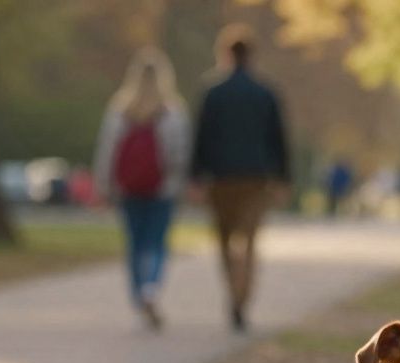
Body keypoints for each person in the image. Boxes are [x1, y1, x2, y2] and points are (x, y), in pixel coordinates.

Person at [192, 25, 291, 332]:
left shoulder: (212, 92)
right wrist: (283, 177)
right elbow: (278, 138)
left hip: (221, 178)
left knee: (224, 240)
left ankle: (232, 292)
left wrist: (195, 176)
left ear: (224, 54)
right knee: (248, 241)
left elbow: (202, 138)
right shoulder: (266, 92)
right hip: (255, 178)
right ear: (251, 56)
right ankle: (241, 297)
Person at [94, 47, 191, 331]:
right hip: (163, 189)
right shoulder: (172, 112)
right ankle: (152, 288)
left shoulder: (120, 111)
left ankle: (139, 295)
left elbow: (107, 152)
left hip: (129, 189)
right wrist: (180, 182)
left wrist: (103, 186)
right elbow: (180, 154)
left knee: (135, 243)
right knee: (157, 242)